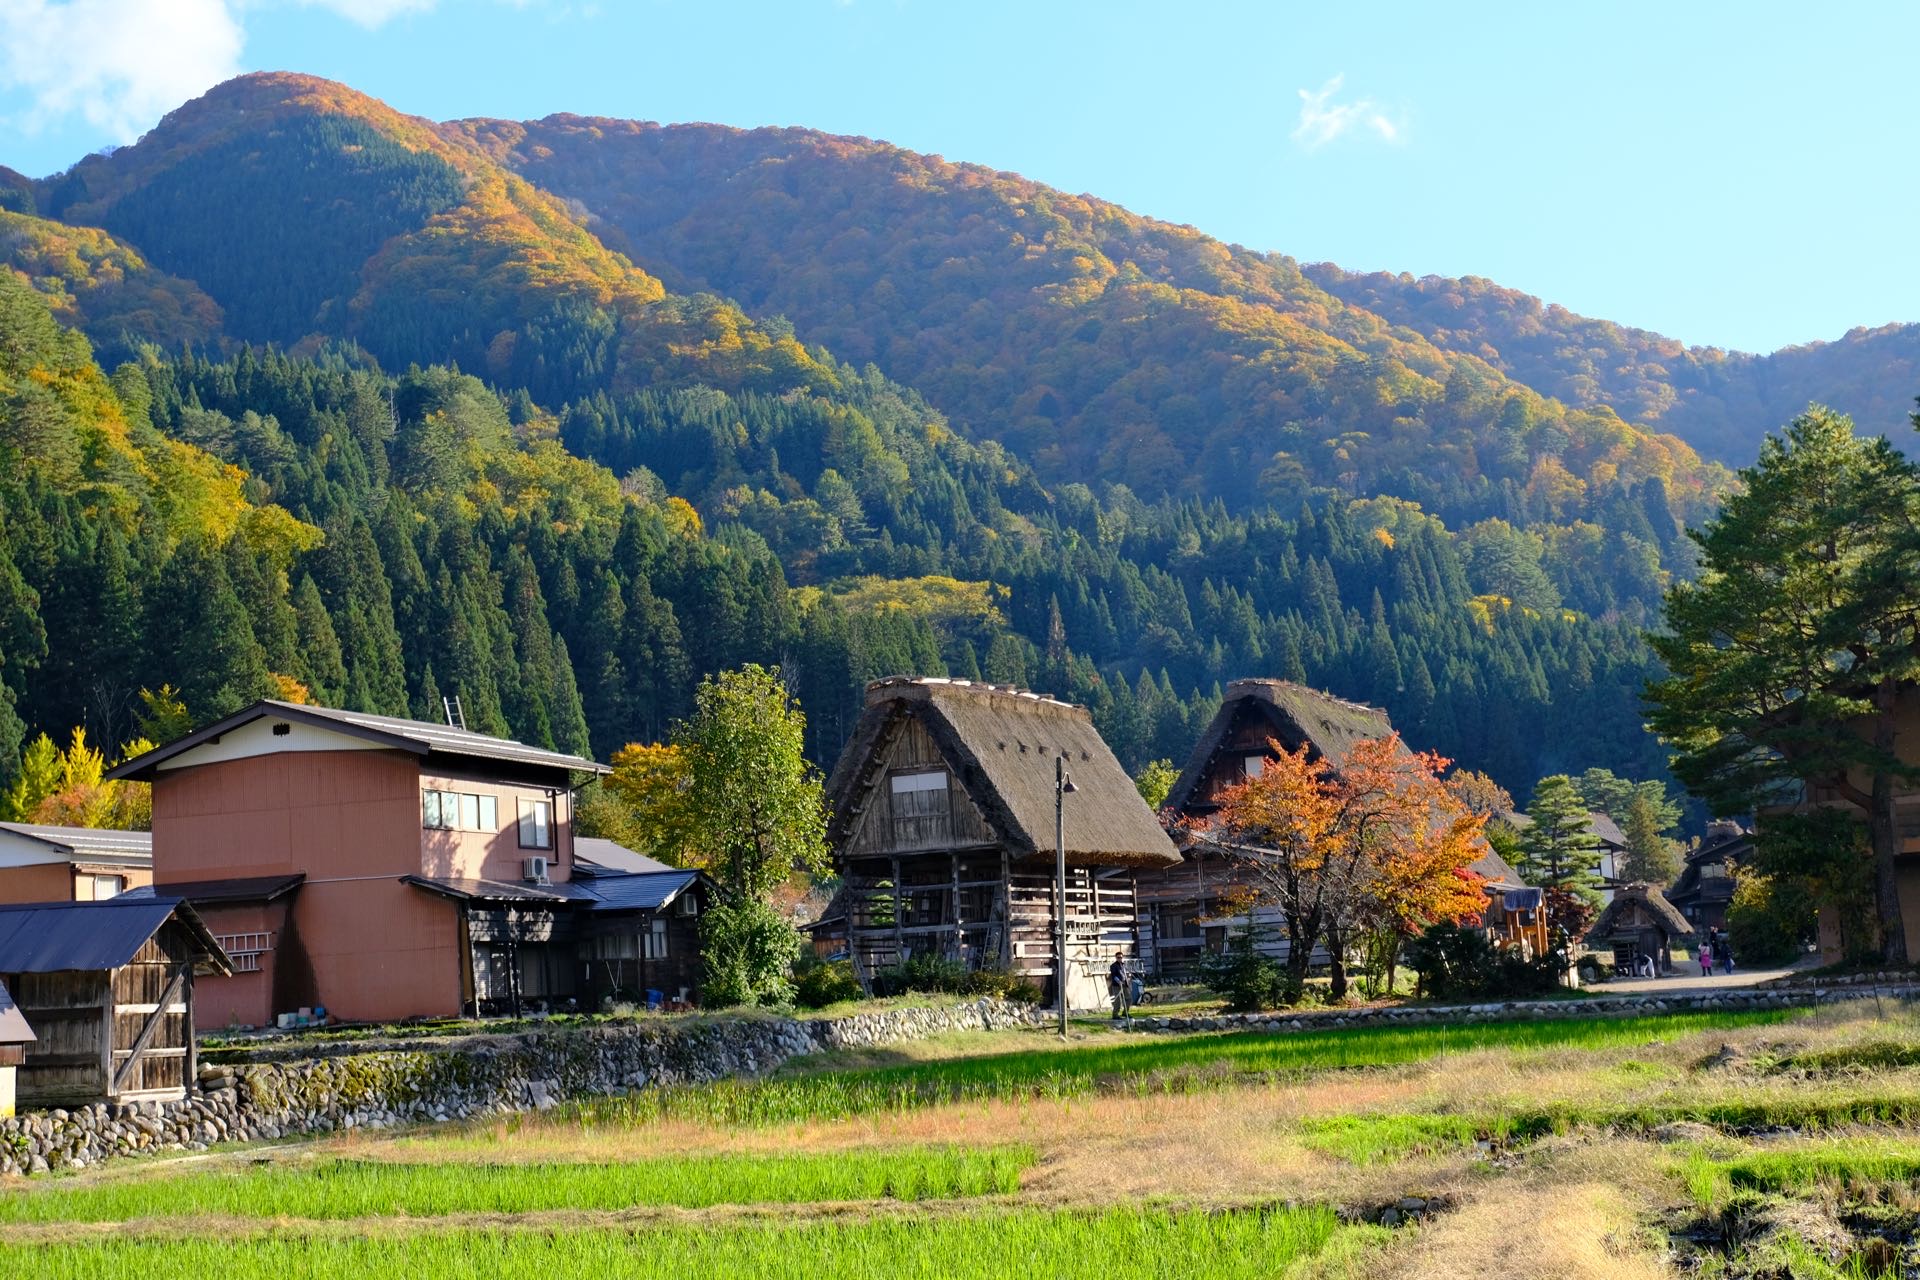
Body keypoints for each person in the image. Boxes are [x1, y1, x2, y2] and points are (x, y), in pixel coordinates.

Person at [1108, 951, 1130, 1020]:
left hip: (1124, 984)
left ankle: (1125, 1013)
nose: (1120, 958)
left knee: (1129, 999)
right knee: (1118, 1000)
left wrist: (1127, 981)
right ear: (1116, 958)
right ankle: (1115, 1015)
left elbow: (1124, 974)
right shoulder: (1113, 966)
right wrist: (1119, 981)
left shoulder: (1123, 965)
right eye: (1118, 957)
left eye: (1121, 957)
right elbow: (1114, 975)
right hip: (1117, 985)